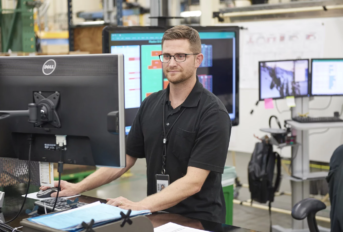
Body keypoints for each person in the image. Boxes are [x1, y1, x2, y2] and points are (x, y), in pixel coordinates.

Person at [40, 25, 231, 223]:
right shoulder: (151, 104)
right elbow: (126, 159)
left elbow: (193, 182)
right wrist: (77, 187)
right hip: (157, 215)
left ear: (198, 59)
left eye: (180, 56)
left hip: (198, 221)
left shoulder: (212, 113)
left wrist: (140, 205)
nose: (172, 63)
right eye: (166, 56)